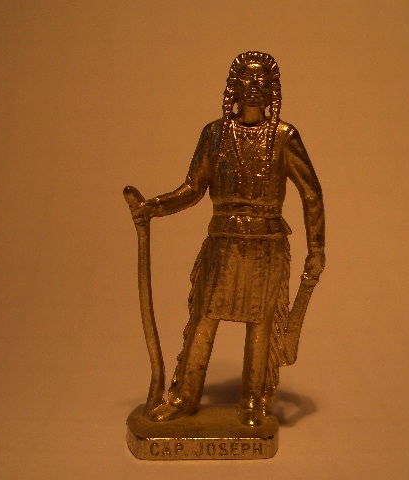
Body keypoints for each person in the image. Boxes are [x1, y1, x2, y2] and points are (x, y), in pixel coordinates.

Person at [132, 51, 325, 426]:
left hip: (267, 244)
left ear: (272, 92)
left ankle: (253, 398)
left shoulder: (283, 137)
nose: (253, 87)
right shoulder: (215, 134)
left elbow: (311, 194)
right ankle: (184, 396)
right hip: (223, 239)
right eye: (246, 80)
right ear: (232, 88)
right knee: (204, 316)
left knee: (260, 322)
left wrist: (316, 248)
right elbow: (193, 188)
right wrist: (155, 206)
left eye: (261, 81)